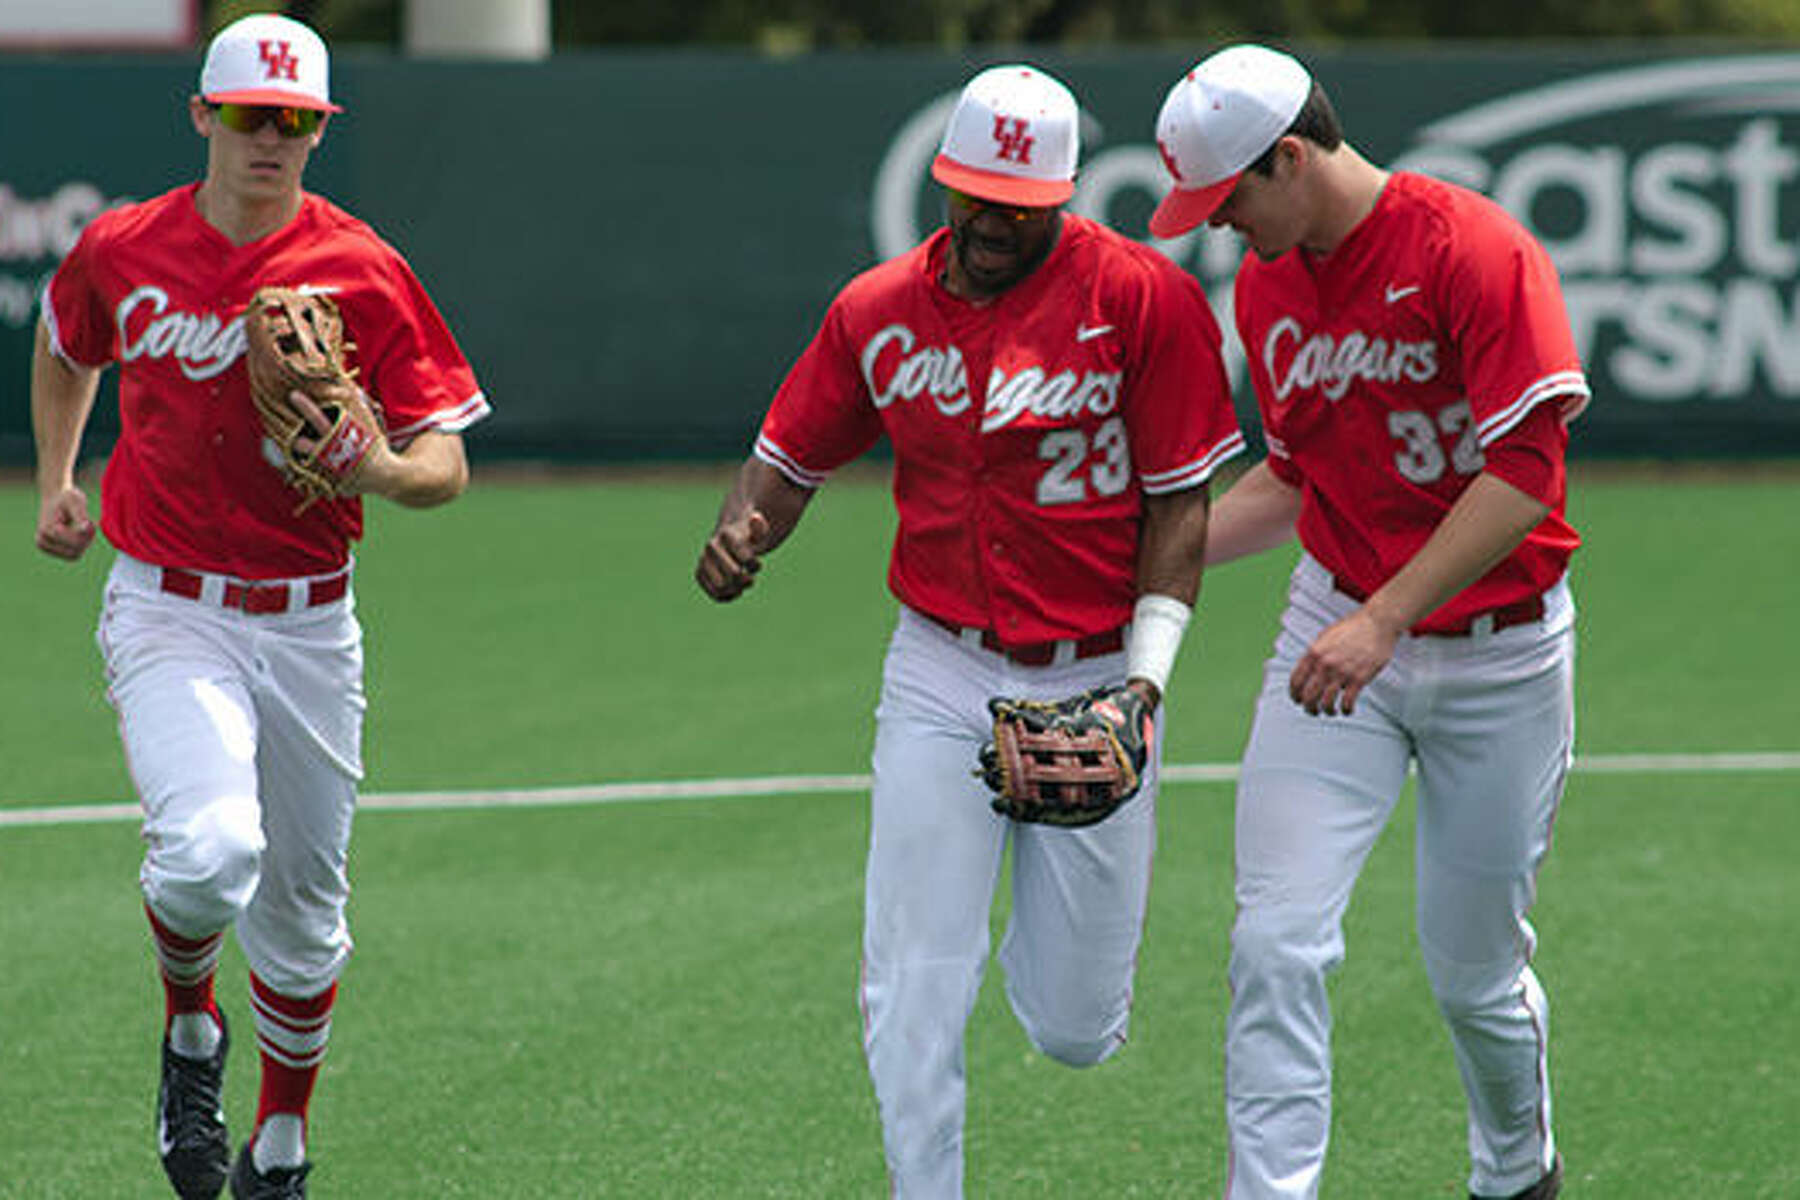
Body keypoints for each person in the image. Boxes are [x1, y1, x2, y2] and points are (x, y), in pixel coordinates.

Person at [695, 64, 1243, 1198]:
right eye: (970, 193)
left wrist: (1144, 688)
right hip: (939, 670)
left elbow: (1182, 501)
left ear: (1064, 195)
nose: (990, 221)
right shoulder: (879, 308)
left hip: (1096, 676)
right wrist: (746, 528)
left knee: (1074, 1024)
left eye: (1018, 203)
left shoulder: (1141, 299)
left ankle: (1040, 946)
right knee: (910, 983)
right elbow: (790, 455)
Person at [30, 14, 488, 1199]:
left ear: (319, 131)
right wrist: (57, 478)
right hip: (168, 605)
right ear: (203, 119)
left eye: (297, 121)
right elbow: (66, 339)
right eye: (251, 116)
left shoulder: (365, 267)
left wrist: (380, 468)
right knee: (208, 857)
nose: (272, 139)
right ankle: (192, 1028)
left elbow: (445, 457)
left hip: (309, 620)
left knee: (302, 917)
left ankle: (280, 1145)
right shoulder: (124, 248)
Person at [1147, 44, 1585, 1200]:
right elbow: (1294, 480)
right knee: (1274, 944)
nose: (1222, 226)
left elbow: (1527, 473)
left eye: (1231, 196)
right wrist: (1136, 558)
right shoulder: (1270, 280)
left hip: (1500, 655)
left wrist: (1387, 616)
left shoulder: (1475, 250)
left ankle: (1515, 1174)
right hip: (1333, 635)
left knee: (1475, 975)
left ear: (1290, 156)